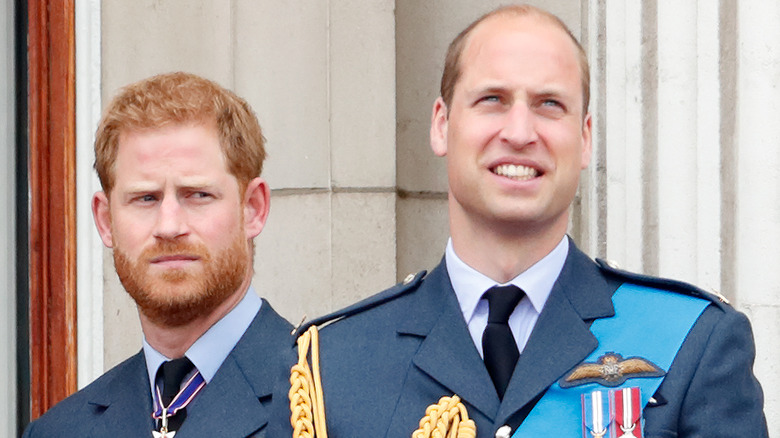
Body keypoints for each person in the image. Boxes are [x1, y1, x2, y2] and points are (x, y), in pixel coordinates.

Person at [288, 5, 768, 438]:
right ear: (441, 125)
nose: (519, 133)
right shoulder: (332, 367)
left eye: (549, 104)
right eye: (492, 99)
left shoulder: (692, 342)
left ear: (584, 139)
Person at [23, 72, 293, 438]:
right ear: (105, 220)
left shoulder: (331, 400)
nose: (169, 226)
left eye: (197, 195)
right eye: (145, 198)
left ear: (253, 209)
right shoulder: (58, 432)